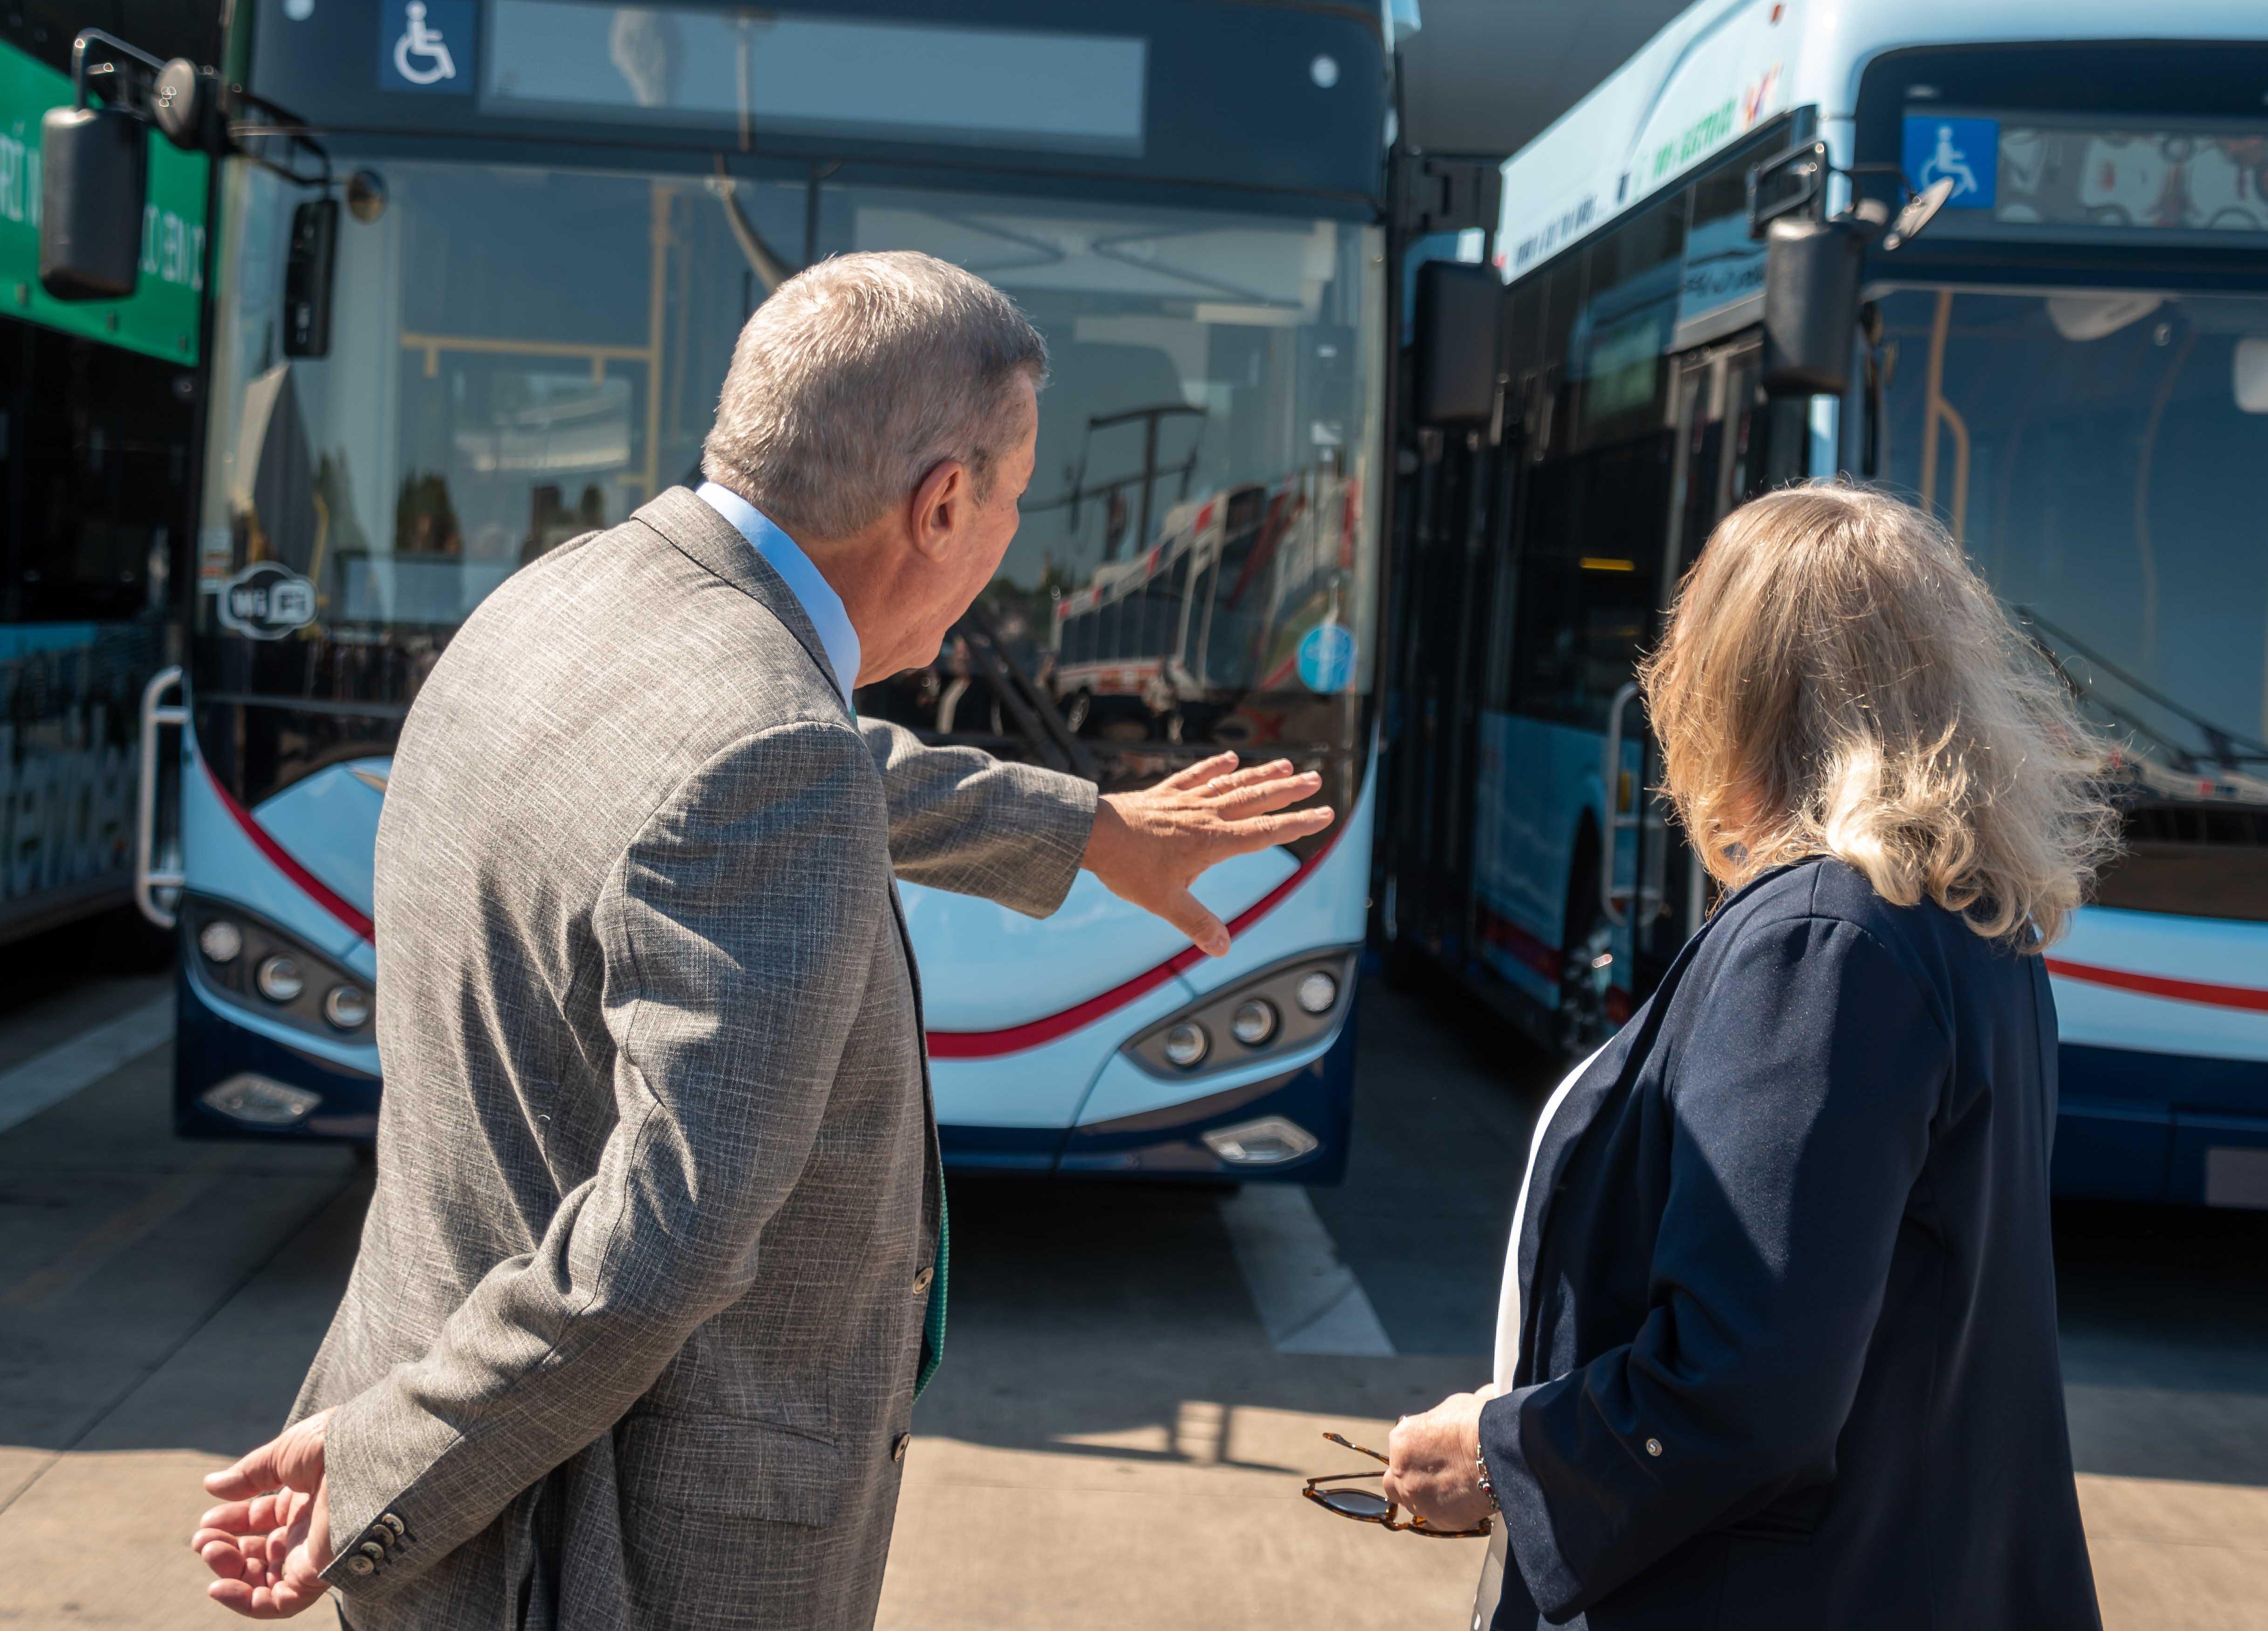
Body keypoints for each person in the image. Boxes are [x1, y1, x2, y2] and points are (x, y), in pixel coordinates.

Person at [188, 251, 1330, 1627]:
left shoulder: (567, 596)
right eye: (1013, 505)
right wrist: (380, 1464)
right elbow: (653, 1252)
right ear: (944, 501)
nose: (1007, 545)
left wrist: (1089, 828)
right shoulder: (763, 751)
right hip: (614, 1543)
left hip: (440, 1413)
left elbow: (756, 765)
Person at [1381, 483, 2118, 1629]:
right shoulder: (1972, 923)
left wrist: (1499, 1458)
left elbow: (1747, 1385)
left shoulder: (1823, 944)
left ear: (1729, 681)